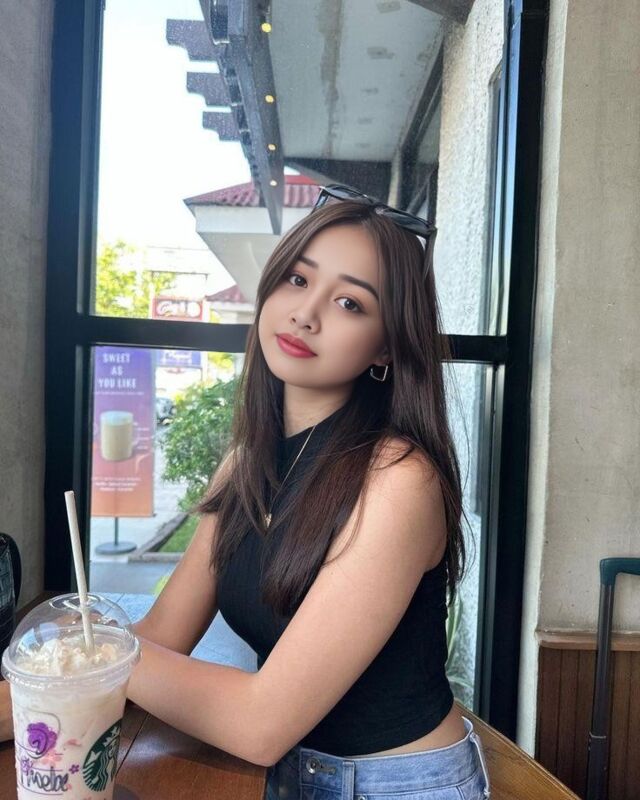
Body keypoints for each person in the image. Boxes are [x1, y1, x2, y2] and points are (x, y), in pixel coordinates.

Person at [0, 185, 491, 799]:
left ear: (387, 345)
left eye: (349, 302)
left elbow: (260, 724)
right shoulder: (245, 464)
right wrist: (45, 680)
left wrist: (91, 650)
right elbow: (163, 634)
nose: (305, 313)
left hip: (395, 785)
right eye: (297, 279)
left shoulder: (398, 479)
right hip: (279, 776)